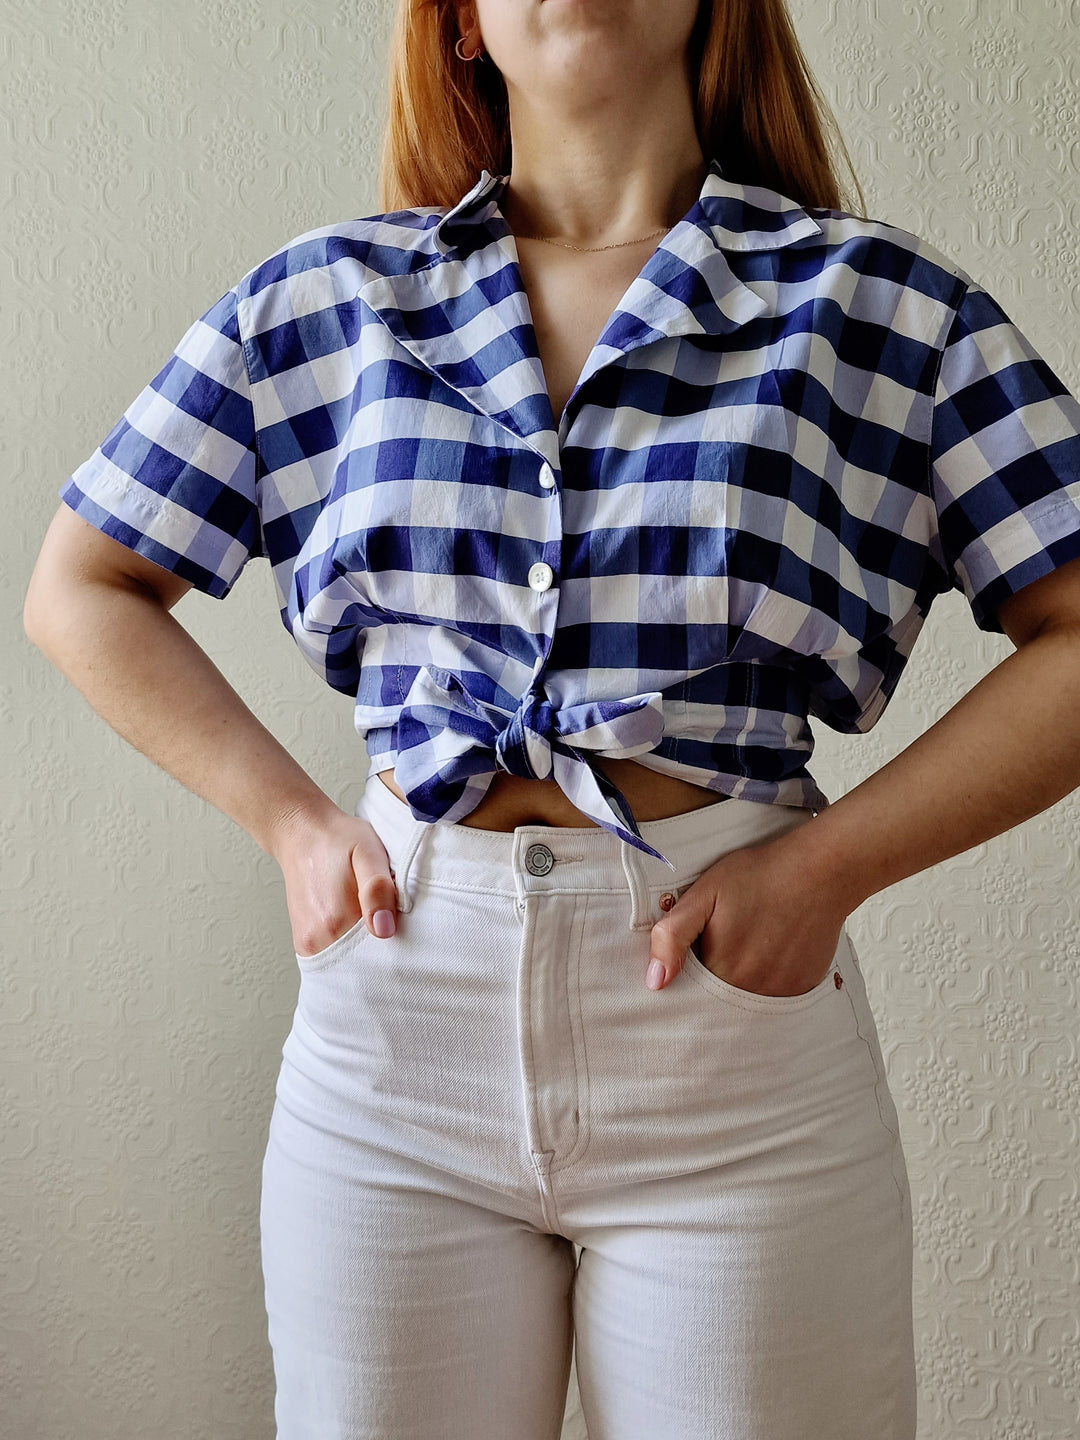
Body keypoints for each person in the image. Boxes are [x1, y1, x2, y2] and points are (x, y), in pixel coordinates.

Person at [22, 0, 1080, 1436]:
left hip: (730, 1041)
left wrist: (828, 870)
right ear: (459, 25)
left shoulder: (880, 307)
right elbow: (85, 582)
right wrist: (290, 825)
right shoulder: (331, 298)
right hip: (395, 1036)